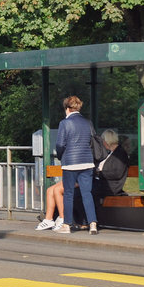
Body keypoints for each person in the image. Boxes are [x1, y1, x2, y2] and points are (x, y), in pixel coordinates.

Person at [53, 95, 99, 235]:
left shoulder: (64, 123)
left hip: (70, 163)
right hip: (87, 162)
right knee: (87, 193)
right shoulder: (87, 122)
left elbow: (60, 144)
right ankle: (93, 224)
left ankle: (67, 225)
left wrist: (61, 157)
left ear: (67, 109)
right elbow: (92, 142)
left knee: (68, 194)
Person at [93, 129, 130, 198]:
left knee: (82, 192)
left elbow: (117, 173)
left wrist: (99, 173)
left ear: (106, 141)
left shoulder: (120, 154)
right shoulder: (110, 152)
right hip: (102, 183)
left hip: (111, 187)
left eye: (102, 140)